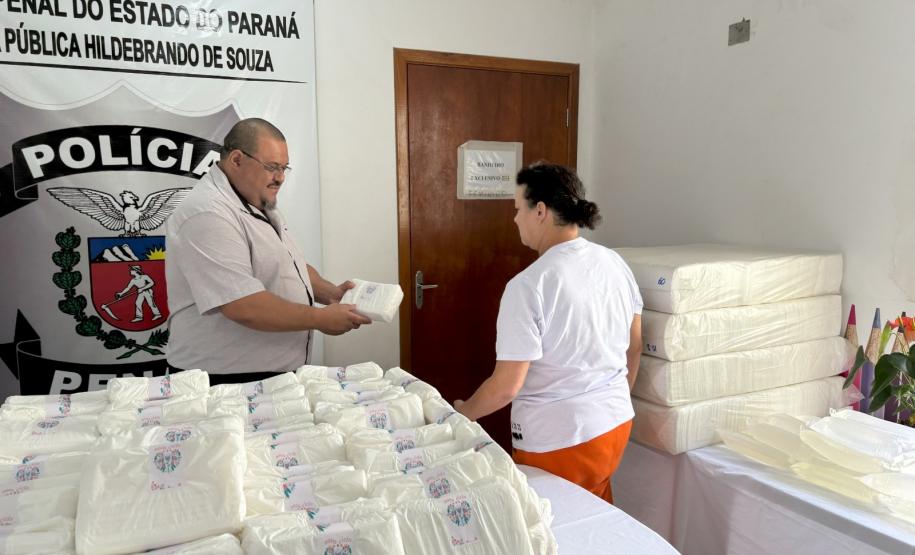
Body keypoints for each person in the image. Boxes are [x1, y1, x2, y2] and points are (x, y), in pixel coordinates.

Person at [454, 162, 642, 503]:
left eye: (517, 209)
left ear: (540, 211)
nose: (514, 219)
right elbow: (635, 346)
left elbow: (506, 386)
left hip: (562, 440)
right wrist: (609, 400)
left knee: (553, 527)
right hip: (615, 424)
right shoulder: (614, 263)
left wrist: (462, 414)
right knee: (596, 512)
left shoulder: (529, 285)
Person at [165, 118, 370, 384]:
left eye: (284, 168)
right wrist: (320, 318)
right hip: (223, 379)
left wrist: (331, 293)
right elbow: (242, 305)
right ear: (237, 160)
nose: (280, 178)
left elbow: (287, 263)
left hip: (267, 374)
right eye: (272, 167)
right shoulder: (207, 213)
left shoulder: (257, 201)